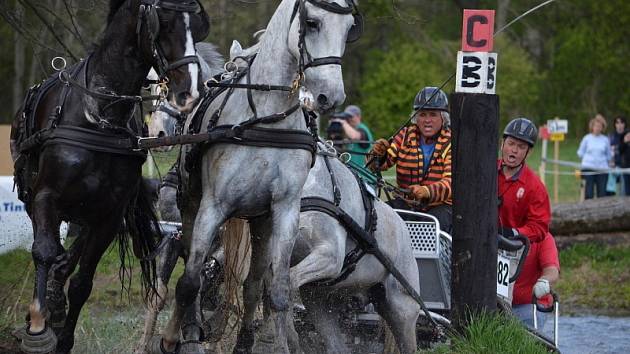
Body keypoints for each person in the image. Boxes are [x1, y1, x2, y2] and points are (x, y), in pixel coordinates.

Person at [368, 86, 452, 232]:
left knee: (429, 228)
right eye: (423, 114)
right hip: (406, 203)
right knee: (376, 219)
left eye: (433, 114)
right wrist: (378, 154)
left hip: (439, 206)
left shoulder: (451, 142)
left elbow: (452, 182)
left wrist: (427, 191)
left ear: (443, 118)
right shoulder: (405, 135)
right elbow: (380, 165)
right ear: (415, 117)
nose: (427, 120)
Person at [498, 118, 550, 243]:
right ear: (502, 144)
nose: (514, 150)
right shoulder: (486, 171)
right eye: (511, 143)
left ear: (529, 152)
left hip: (513, 248)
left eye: (521, 147)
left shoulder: (536, 187)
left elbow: (539, 227)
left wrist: (514, 233)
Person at [511, 232, 560, 329]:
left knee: (528, 326)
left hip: (529, 304)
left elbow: (552, 271)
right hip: (495, 303)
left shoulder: (543, 237)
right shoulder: (495, 234)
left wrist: (543, 281)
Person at [577, 114, 612, 199]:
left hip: (602, 170)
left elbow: (608, 156)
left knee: (602, 193)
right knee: (589, 193)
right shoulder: (586, 138)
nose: (597, 128)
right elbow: (580, 153)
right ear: (592, 127)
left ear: (602, 128)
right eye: (596, 126)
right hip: (588, 169)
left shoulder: (605, 140)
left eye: (600, 126)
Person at [618, 118, 630, 196]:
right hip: (625, 169)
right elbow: (620, 151)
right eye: (627, 136)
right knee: (626, 190)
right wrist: (625, 142)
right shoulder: (623, 145)